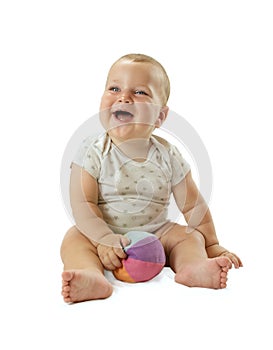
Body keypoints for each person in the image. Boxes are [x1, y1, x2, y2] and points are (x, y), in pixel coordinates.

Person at [61, 53, 243, 303]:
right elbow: (83, 204)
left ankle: (194, 266)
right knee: (73, 239)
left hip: (156, 235)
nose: (123, 97)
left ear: (159, 117)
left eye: (140, 93)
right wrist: (102, 239)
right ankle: (90, 276)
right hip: (103, 232)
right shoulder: (92, 150)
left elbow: (192, 205)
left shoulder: (168, 154)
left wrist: (211, 244)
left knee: (189, 236)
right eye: (114, 88)